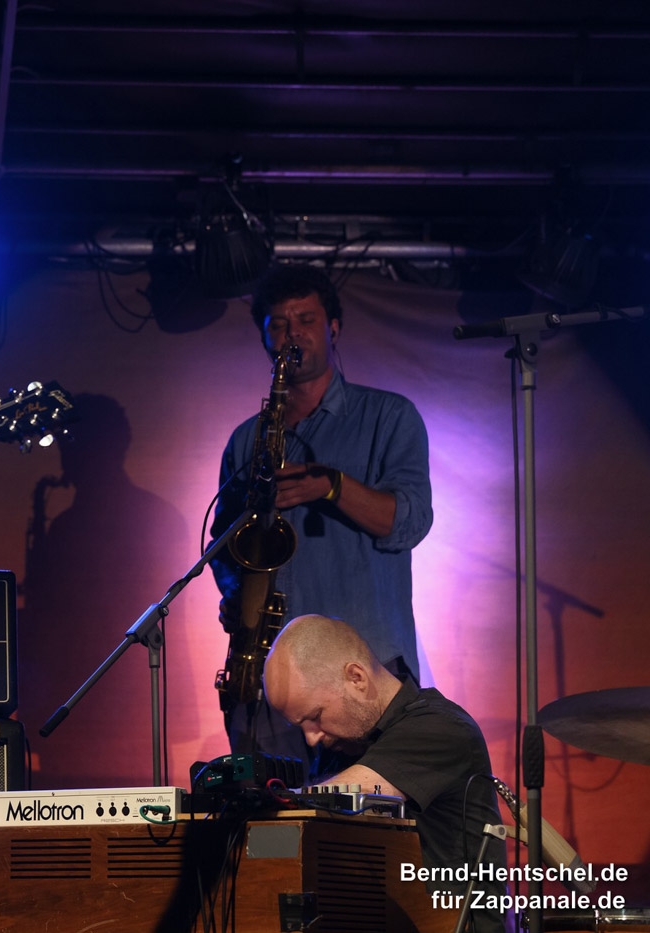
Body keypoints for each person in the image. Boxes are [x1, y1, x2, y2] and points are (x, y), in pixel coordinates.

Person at [209, 263, 432, 759]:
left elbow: (409, 522)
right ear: (264, 337)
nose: (293, 334)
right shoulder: (247, 439)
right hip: (271, 679)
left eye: (306, 320)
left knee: (368, 810)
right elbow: (224, 546)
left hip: (364, 673)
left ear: (333, 328)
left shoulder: (389, 416)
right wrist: (236, 595)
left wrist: (332, 486)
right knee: (266, 810)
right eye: (279, 324)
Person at [263, 615, 506, 933]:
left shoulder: (440, 727)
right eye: (301, 725)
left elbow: (347, 793)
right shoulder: (342, 745)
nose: (311, 738)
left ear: (357, 678)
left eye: (316, 716)